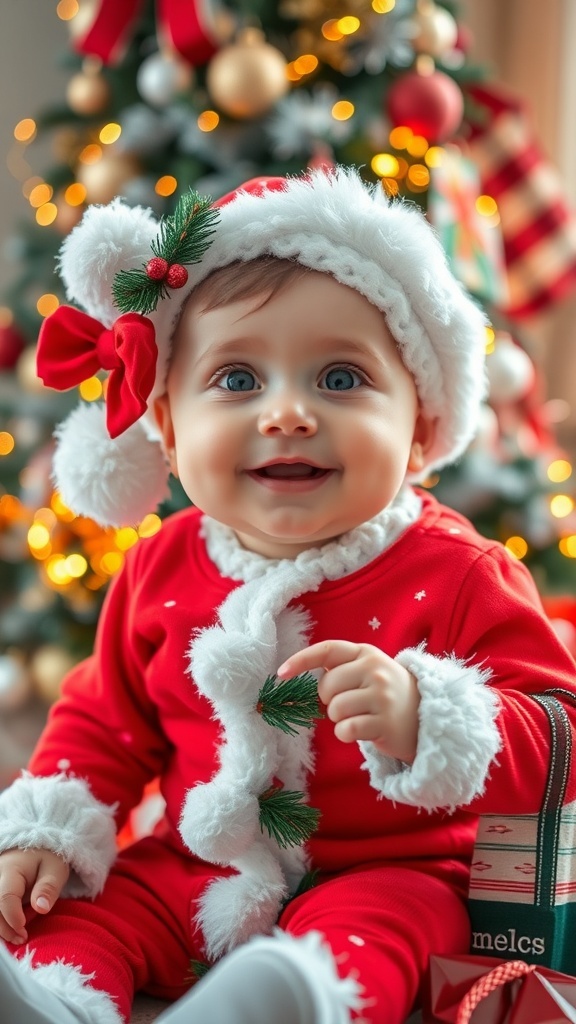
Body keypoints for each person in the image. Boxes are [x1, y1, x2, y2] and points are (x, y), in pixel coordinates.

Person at [0, 167, 575, 1024]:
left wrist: (433, 711)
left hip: (391, 869)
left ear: (420, 425)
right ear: (164, 422)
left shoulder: (460, 572)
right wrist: (46, 834)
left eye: (341, 379)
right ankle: (58, 1002)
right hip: (200, 860)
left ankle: (290, 1003)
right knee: (76, 914)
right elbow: (101, 722)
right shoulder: (160, 565)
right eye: (236, 380)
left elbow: (561, 728)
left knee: (371, 940)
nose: (287, 415)